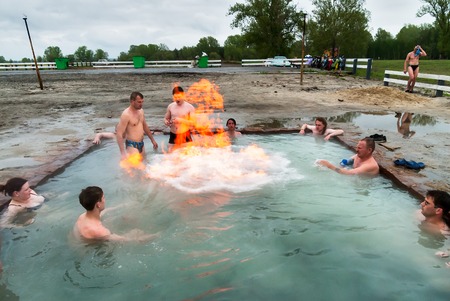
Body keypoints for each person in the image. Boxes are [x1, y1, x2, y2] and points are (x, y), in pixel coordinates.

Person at [73, 186, 158, 242]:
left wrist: (119, 206)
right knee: (136, 232)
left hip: (85, 237)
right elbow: (127, 240)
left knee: (124, 218)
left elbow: (102, 212)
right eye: (103, 198)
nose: (105, 200)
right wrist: (156, 235)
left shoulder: (82, 216)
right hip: (95, 247)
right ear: (98, 204)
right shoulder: (100, 231)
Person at [116, 92, 158, 160]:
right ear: (132, 101)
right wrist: (123, 153)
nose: (141, 104)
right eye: (139, 102)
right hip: (131, 145)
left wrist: (152, 140)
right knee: (137, 167)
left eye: (142, 102)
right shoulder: (126, 115)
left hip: (141, 144)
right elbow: (119, 134)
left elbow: (145, 126)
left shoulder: (141, 111)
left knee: (145, 164)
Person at [164, 86, 195, 152]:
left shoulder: (189, 107)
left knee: (188, 157)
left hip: (185, 134)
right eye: (175, 97)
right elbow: (166, 118)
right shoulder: (170, 106)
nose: (177, 99)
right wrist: (166, 122)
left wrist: (181, 120)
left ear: (183, 95)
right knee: (170, 156)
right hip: (173, 135)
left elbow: (193, 123)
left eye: (179, 97)